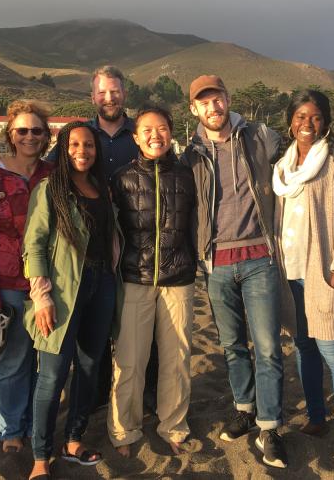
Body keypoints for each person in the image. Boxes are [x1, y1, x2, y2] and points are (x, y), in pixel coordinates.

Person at [182, 75, 288, 468]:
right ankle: (245, 409)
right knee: (232, 346)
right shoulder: (190, 154)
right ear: (194, 109)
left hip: (260, 258)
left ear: (228, 100)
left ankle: (271, 426)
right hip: (217, 265)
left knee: (268, 347)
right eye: (204, 103)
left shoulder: (259, 136)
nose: (213, 107)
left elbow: (300, 151)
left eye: (218, 99)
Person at [22, 121, 121, 480]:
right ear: (63, 150)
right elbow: (33, 245)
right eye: (74, 145)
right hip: (63, 291)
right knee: (52, 375)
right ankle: (40, 455)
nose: (83, 151)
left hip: (102, 284)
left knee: (91, 367)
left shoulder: (102, 188)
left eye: (89, 145)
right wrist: (42, 297)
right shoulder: (50, 190)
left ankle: (74, 439)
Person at [272, 90, 334, 468]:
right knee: (304, 348)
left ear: (325, 121)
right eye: (300, 116)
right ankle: (316, 416)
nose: (307, 124)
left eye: (315, 117)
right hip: (288, 271)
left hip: (322, 273)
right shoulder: (282, 169)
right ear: (290, 121)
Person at [46, 66, 144, 410]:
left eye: (115, 91)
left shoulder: (140, 133)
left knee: (136, 330)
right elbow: (49, 177)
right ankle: (96, 399)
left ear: (124, 94)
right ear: (93, 97)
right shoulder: (80, 137)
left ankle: (142, 399)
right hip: (93, 249)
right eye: (102, 92)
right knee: (96, 336)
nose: (109, 98)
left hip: (139, 245)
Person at [108, 104, 197, 456]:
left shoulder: (188, 175)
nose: (155, 135)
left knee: (177, 359)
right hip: (134, 279)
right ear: (136, 137)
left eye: (161, 128)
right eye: (147, 129)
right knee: (130, 359)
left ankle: (173, 425)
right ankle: (124, 429)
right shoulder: (122, 178)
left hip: (179, 278)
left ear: (171, 133)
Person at [0, 100, 54, 453]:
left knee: (44, 360)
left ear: (46, 135)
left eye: (37, 130)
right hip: (7, 285)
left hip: (49, 285)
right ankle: (11, 431)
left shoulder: (53, 174)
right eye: (22, 130)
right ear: (10, 134)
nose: (29, 137)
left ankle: (36, 423)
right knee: (13, 360)